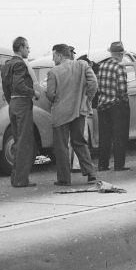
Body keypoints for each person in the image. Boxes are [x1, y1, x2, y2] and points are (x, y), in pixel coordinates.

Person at [46, 43, 99, 185]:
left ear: (59, 55)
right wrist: (87, 98)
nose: (53, 59)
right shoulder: (82, 65)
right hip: (79, 111)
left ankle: (64, 179)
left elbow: (50, 94)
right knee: (80, 142)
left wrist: (56, 98)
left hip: (60, 114)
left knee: (61, 146)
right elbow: (93, 82)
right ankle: (91, 174)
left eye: (53, 56)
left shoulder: (53, 72)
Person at [1, 36, 39, 188]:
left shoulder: (7, 64)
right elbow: (19, 85)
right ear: (21, 48)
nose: (29, 50)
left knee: (17, 141)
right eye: (27, 47)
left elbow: (6, 87)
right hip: (22, 103)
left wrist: (12, 102)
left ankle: (15, 178)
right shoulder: (19, 64)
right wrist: (34, 93)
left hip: (13, 104)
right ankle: (21, 180)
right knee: (24, 142)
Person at [95, 40, 130, 171]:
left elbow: (98, 85)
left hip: (103, 104)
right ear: (121, 54)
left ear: (111, 53)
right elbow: (122, 89)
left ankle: (103, 164)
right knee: (119, 136)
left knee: (105, 136)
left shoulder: (102, 66)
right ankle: (119, 165)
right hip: (116, 105)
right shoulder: (119, 66)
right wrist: (125, 101)